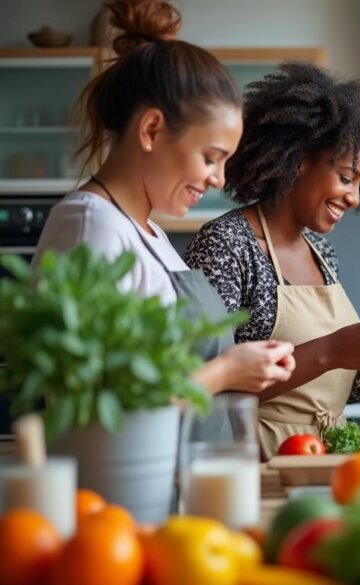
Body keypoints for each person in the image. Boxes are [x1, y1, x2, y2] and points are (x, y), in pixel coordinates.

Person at [34, 0, 295, 398]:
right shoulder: (91, 227)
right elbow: (96, 402)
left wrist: (239, 365)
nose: (219, 179)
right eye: (210, 157)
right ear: (152, 130)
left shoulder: (148, 232)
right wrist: (226, 373)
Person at [184, 62, 360, 457]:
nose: (354, 198)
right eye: (346, 178)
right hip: (260, 460)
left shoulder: (321, 252)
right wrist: (331, 349)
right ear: (298, 160)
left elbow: (324, 386)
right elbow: (210, 387)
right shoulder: (226, 246)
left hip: (326, 455)